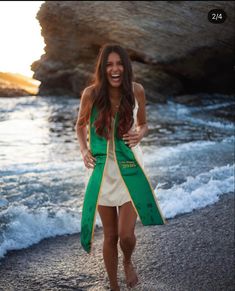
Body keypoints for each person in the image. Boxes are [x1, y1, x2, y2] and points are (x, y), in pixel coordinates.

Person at [75, 43, 166, 290]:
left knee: (126, 235)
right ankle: (114, 285)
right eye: (109, 64)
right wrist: (84, 151)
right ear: (103, 69)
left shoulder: (137, 91)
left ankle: (127, 261)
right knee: (110, 235)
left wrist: (140, 134)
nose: (115, 69)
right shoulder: (91, 94)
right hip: (103, 170)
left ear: (126, 67)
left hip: (131, 167)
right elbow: (80, 126)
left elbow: (144, 123)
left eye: (119, 63)